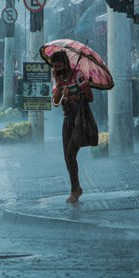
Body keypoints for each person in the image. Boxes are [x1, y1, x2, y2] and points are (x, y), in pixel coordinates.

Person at [51, 50, 98, 204]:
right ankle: (76, 188)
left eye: (59, 66)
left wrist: (72, 95)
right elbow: (56, 102)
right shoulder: (57, 79)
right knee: (67, 157)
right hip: (68, 119)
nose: (57, 69)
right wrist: (58, 88)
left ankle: (75, 190)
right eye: (54, 67)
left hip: (80, 118)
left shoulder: (78, 75)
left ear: (65, 64)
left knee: (71, 152)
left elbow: (89, 97)